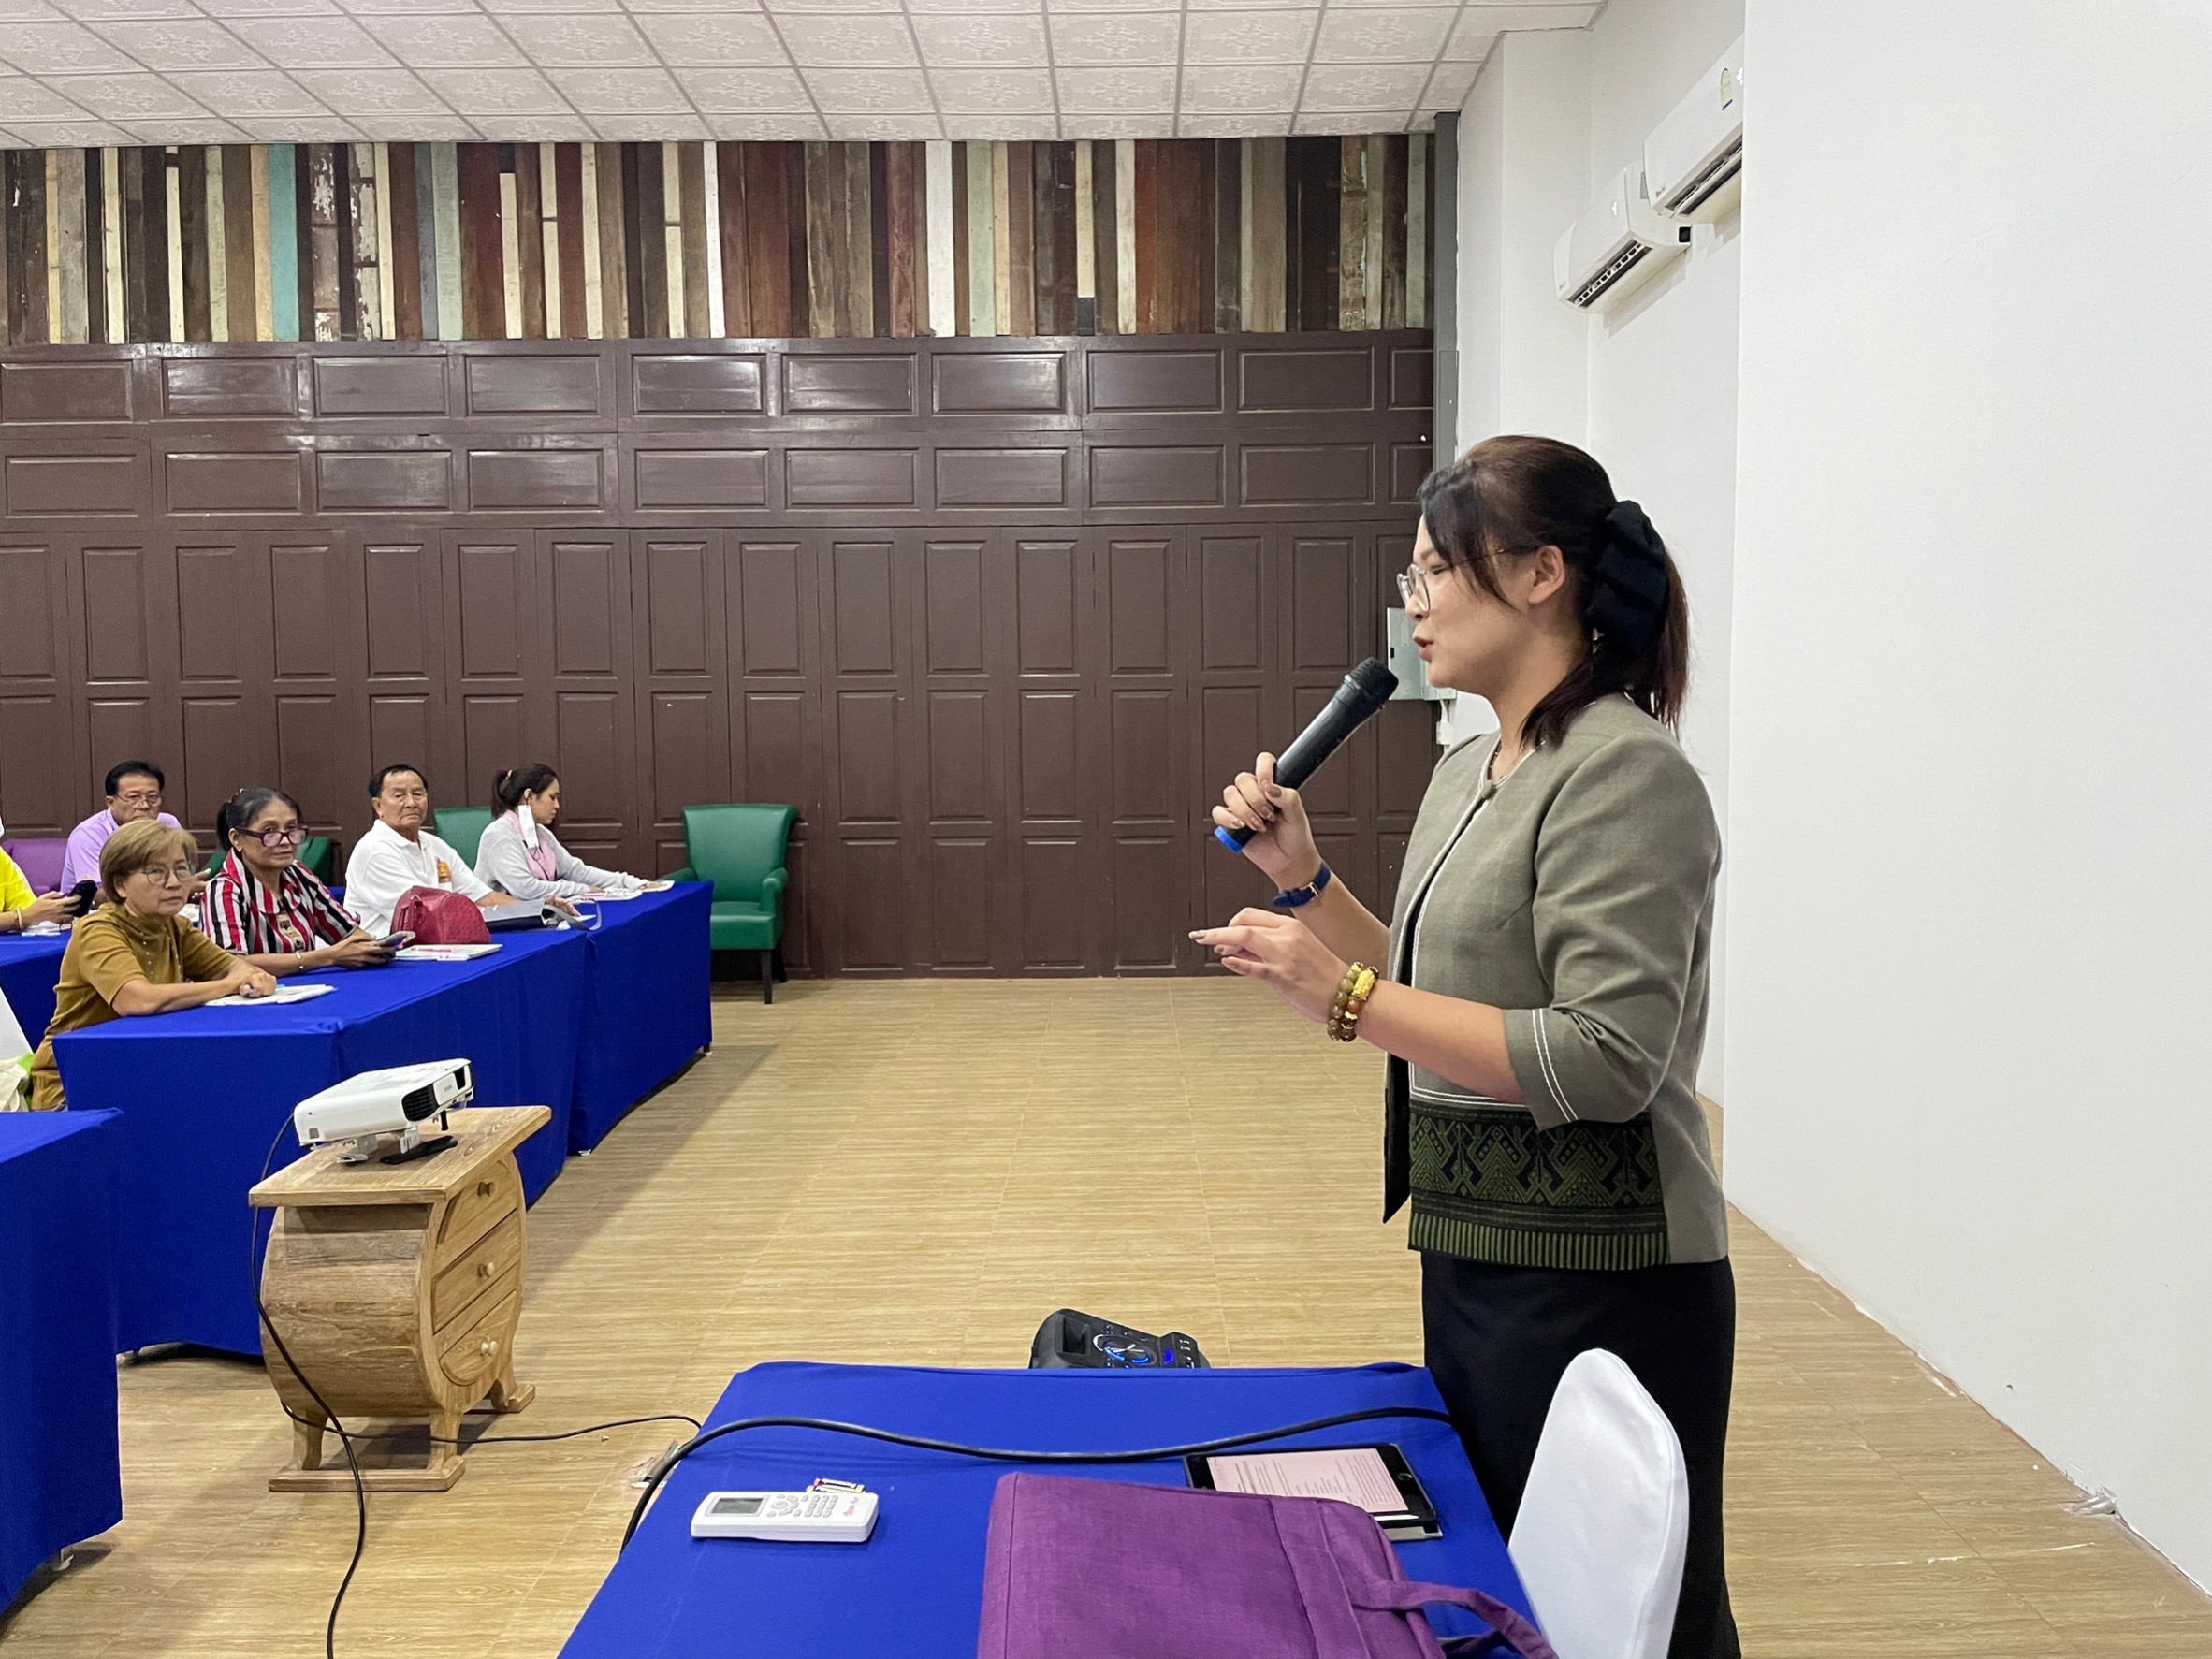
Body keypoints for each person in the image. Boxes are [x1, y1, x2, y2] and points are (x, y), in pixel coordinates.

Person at [1194, 436, 1738, 1659]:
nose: (1415, 600)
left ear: (1543, 573)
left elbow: (1602, 1058)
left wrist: (1340, 996)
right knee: (1505, 1582)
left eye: (1439, 568)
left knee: (1635, 1619)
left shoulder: (1627, 775)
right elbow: (1439, 988)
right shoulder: (1467, 767)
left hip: (1610, 1277)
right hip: (1480, 1244)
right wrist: (1305, 880)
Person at [24, 819, 275, 1110]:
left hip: (147, 1065)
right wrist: (227, 985)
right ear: (120, 885)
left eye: (181, 869)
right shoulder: (98, 930)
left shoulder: (174, 926)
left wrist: (254, 978)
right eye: (156, 872)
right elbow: (136, 1000)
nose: (173, 882)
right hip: (77, 1082)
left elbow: (236, 968)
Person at [202, 787, 395, 976]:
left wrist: (373, 948)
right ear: (237, 839)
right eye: (269, 832)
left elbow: (349, 934)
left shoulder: (299, 875)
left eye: (292, 829)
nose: (285, 841)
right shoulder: (224, 889)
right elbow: (228, 964)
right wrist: (328, 957)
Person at [343, 764, 531, 937]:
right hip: (383, 959)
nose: (411, 803)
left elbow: (484, 897)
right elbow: (422, 916)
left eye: (417, 794)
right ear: (378, 806)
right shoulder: (374, 851)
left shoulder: (435, 845)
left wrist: (539, 911)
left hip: (432, 945)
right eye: (399, 796)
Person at [473, 764, 661, 903]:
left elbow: (575, 870)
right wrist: (582, 890)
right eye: (552, 797)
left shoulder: (542, 834)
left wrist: (629, 882)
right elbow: (526, 889)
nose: (557, 806)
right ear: (529, 796)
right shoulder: (498, 836)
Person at [58, 761, 183, 891]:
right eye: (134, 797)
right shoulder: (88, 834)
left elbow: (183, 872)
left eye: (152, 798)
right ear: (111, 802)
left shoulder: (168, 824)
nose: (145, 806)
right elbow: (98, 893)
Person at [0, 819, 76, 935]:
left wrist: (57, 911)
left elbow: (32, 912)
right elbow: (27, 916)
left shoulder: (2, 860)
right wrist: (20, 918)